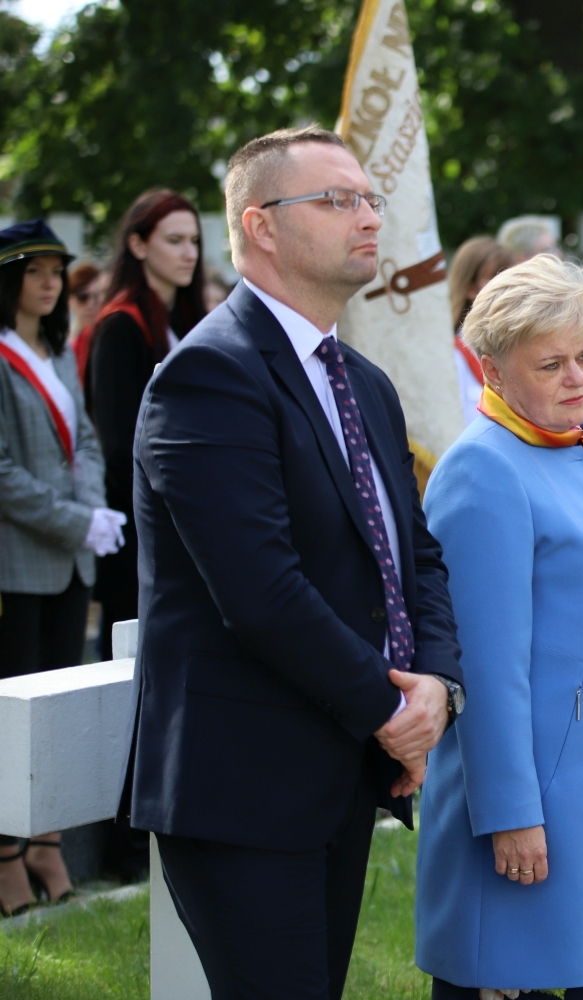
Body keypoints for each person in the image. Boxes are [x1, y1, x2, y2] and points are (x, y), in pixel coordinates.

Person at [129, 125, 464, 999]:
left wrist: (438, 684)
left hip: (339, 766)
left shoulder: (365, 380)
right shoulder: (208, 375)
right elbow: (260, 590)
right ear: (261, 225)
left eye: (369, 199)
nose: (367, 217)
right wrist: (388, 706)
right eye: (336, 199)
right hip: (244, 781)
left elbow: (413, 556)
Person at [416, 254, 583, 999]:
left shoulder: (580, 445)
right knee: (509, 976)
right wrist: (511, 815)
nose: (577, 378)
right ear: (491, 370)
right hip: (537, 801)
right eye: (550, 363)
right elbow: (487, 669)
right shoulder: (484, 470)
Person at [0, 221, 123, 917]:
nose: (50, 283)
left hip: (69, 555)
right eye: (35, 270)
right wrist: (75, 517)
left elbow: (85, 440)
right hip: (18, 560)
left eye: (56, 271)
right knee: (13, 707)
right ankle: (6, 854)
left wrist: (93, 508)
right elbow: (3, 473)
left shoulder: (55, 350)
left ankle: (47, 841)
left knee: (51, 709)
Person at [88, 188, 206, 659]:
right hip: (144, 530)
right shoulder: (119, 326)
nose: (189, 253)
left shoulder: (190, 320)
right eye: (174, 240)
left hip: (188, 523)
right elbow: (119, 448)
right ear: (138, 245)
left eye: (195, 241)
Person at [448, 236, 517, 424]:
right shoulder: (453, 357)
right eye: (496, 279)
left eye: (512, 279)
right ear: (471, 288)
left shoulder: (521, 348)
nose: (509, 289)